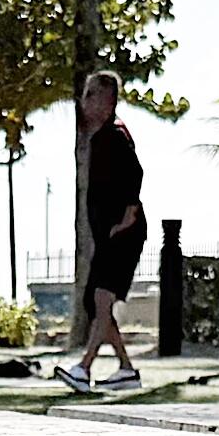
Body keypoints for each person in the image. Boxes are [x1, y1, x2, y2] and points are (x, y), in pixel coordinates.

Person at [56, 72, 146, 392]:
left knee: (102, 296)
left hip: (124, 233)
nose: (85, 100)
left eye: (92, 94)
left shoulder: (114, 135)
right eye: (85, 94)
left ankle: (84, 367)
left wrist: (127, 215)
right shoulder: (100, 137)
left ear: (108, 102)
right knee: (95, 303)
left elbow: (136, 173)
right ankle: (126, 369)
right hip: (109, 235)